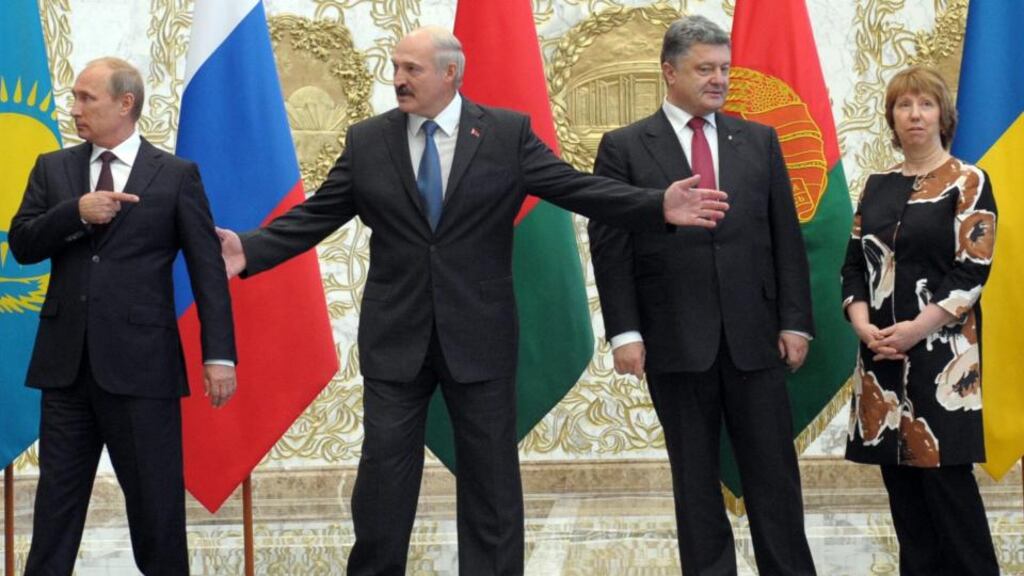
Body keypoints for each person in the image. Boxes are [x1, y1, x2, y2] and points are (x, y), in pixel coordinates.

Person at [217, 25, 728, 576]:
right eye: (396, 67)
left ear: (450, 73)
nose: (398, 79)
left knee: (490, 483)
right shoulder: (369, 140)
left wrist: (655, 206)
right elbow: (320, 212)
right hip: (396, 337)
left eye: (411, 69)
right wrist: (250, 249)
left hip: (480, 334)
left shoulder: (506, 134)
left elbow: (575, 187)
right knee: (383, 479)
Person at [588, 15, 817, 575]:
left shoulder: (758, 140)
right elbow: (611, 248)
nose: (719, 80)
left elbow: (785, 236)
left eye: (724, 69)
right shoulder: (624, 147)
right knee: (694, 481)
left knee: (774, 476)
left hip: (755, 337)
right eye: (705, 69)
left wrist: (795, 321)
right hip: (674, 340)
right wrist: (625, 332)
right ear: (669, 72)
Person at [9, 57, 237, 575]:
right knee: (55, 509)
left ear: (125, 103)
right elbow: (22, 244)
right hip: (66, 369)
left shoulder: (176, 175)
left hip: (143, 370)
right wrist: (75, 212)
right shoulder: (53, 168)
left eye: (86, 98)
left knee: (156, 508)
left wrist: (219, 355)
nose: (74, 109)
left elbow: (207, 271)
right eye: (75, 97)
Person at [841, 66, 998, 576]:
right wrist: (862, 325)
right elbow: (853, 266)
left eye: (926, 104)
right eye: (904, 105)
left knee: (949, 492)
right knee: (905, 498)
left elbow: (971, 271)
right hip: (881, 358)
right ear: (891, 117)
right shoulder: (877, 185)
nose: (914, 114)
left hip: (940, 361)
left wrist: (914, 329)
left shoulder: (969, 181)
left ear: (943, 116)